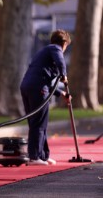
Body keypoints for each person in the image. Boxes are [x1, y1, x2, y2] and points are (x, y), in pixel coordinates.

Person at [20, 29, 71, 166]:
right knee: (39, 123)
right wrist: (64, 74)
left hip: (27, 86)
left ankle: (42, 155)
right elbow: (60, 62)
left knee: (37, 122)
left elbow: (47, 83)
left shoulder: (45, 52)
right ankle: (34, 156)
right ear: (64, 43)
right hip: (37, 88)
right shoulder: (55, 48)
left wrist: (61, 93)